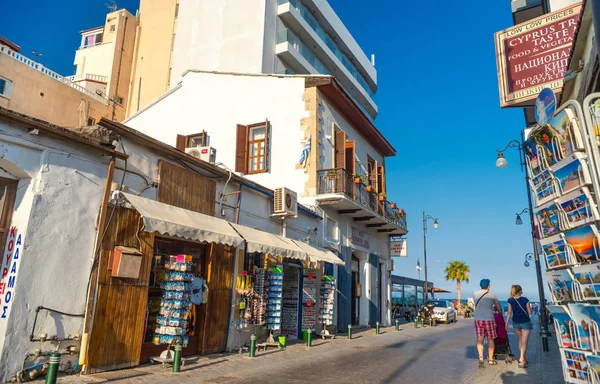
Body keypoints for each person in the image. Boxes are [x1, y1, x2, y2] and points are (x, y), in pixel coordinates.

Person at [474, 279, 502, 368]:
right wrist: (500, 314)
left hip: (478, 319)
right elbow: (499, 308)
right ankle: (490, 359)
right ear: (488, 286)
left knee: (480, 338)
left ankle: (481, 358)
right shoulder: (492, 296)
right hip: (489, 319)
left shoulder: (475, 294)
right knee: (490, 339)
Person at [505, 285, 534, 368]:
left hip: (515, 322)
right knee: (524, 342)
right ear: (519, 291)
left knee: (520, 340)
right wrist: (531, 308)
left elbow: (509, 312)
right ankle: (521, 359)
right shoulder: (525, 300)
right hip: (525, 322)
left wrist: (506, 323)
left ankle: (523, 358)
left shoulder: (510, 300)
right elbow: (530, 312)